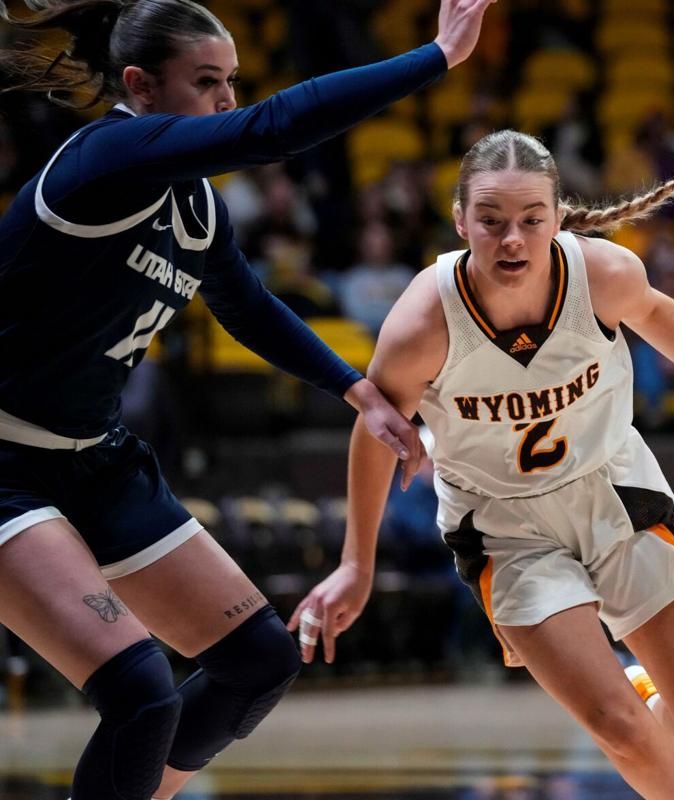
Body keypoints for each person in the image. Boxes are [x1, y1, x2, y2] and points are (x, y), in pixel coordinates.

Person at [0, 1, 495, 798]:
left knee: (258, 661)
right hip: (8, 458)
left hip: (95, 457)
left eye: (231, 80)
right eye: (206, 82)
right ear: (141, 86)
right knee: (140, 693)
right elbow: (271, 129)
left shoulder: (194, 207)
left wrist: (355, 388)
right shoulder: (105, 157)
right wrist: (435, 56)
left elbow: (246, 305)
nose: (227, 99)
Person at [292, 131, 674, 798]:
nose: (512, 241)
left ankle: (657, 711)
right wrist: (357, 563)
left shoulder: (604, 276)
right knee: (619, 727)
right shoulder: (424, 321)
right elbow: (374, 429)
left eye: (532, 220)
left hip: (618, 493)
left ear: (558, 217)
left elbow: (655, 313)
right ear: (460, 219)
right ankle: (644, 728)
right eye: (492, 221)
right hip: (505, 528)